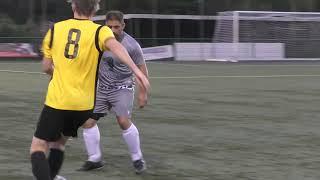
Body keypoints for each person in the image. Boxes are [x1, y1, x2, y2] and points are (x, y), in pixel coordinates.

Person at [29, 1, 150, 180]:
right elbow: (117, 47)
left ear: (73, 7)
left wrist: (58, 74)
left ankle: (135, 157)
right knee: (59, 143)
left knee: (38, 147)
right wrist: (137, 71)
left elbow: (46, 66)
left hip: (61, 100)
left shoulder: (56, 29)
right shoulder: (100, 32)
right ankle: (75, 167)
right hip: (84, 104)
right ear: (95, 9)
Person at [78, 10, 148, 174]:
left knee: (123, 121)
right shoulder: (99, 40)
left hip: (122, 88)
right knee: (87, 122)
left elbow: (142, 69)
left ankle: (137, 158)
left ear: (123, 25)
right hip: (102, 89)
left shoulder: (132, 45)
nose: (113, 30)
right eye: (109, 27)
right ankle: (95, 159)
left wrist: (143, 92)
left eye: (117, 27)